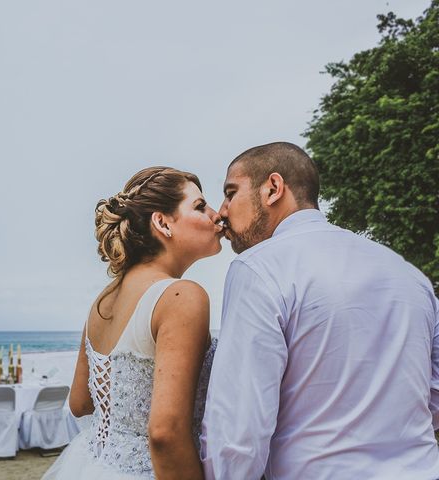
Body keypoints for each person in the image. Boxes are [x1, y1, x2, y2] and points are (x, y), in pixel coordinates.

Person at [201, 142, 439, 479]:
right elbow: (434, 394)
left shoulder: (259, 269)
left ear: (273, 188)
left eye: (230, 192)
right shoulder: (410, 275)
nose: (222, 211)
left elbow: (238, 437)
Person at [43, 166, 224, 479]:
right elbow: (165, 434)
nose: (216, 214)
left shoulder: (103, 302)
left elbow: (80, 403)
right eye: (199, 206)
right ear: (163, 223)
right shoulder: (182, 297)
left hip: (94, 465)